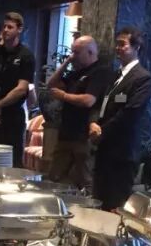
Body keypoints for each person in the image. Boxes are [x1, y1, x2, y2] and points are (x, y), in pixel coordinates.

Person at [90, 27, 151, 210]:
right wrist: (93, 123)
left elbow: (129, 113)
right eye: (116, 44)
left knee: (115, 205)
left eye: (122, 44)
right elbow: (101, 104)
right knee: (99, 201)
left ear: (136, 47)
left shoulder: (142, 78)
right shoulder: (115, 75)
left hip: (122, 152)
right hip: (104, 148)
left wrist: (102, 131)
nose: (117, 48)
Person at [45, 35, 114, 188]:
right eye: (72, 52)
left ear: (90, 52)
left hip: (84, 136)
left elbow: (89, 100)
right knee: (54, 178)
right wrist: (66, 62)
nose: (73, 56)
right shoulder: (76, 73)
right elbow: (51, 84)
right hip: (66, 133)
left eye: (76, 52)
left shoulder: (100, 72)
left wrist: (64, 96)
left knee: (85, 180)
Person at [0, 12, 35, 164]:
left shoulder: (26, 56)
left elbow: (21, 89)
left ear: (19, 29)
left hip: (12, 117)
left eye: (10, 27)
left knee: (10, 162)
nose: (5, 30)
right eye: (4, 26)